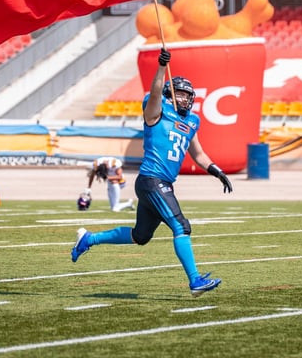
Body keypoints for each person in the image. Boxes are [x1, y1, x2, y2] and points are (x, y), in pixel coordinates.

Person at [71, 47, 233, 297]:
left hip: (159, 182)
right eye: (180, 94)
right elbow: (155, 92)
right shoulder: (156, 111)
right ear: (169, 94)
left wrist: (217, 171)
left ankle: (88, 239)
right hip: (152, 179)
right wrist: (161, 66)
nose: (185, 99)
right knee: (181, 227)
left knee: (140, 236)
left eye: (188, 95)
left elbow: (198, 153)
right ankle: (195, 281)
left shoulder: (191, 121)